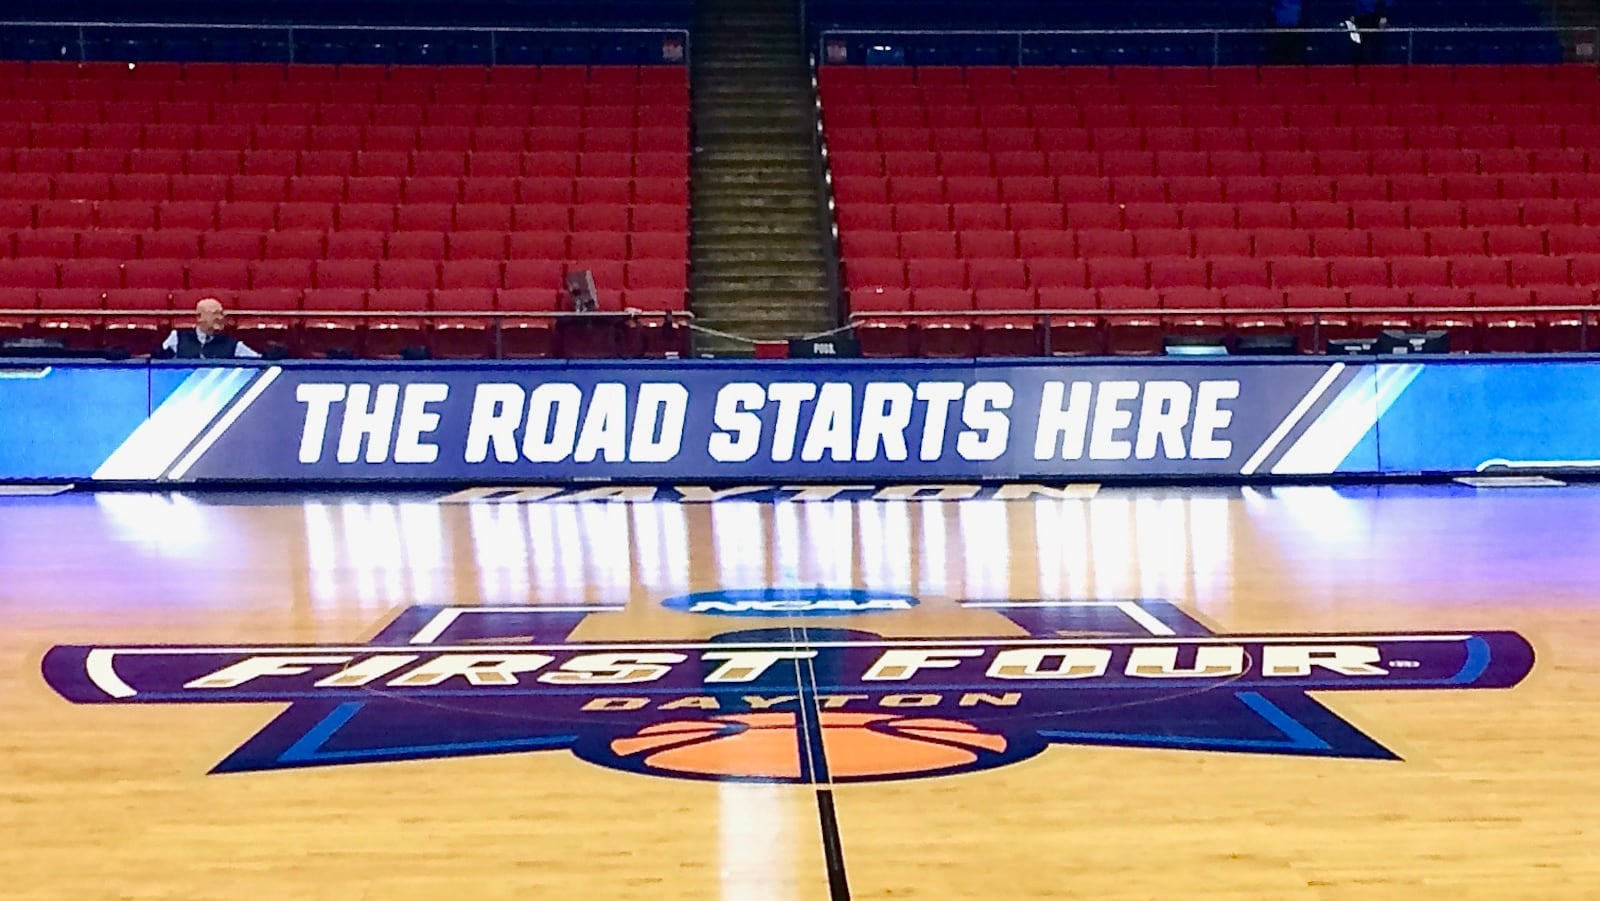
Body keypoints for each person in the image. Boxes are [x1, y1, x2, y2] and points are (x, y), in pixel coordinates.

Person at [158, 297, 261, 359]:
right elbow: (158, 360)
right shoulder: (177, 338)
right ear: (199, 317)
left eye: (221, 314)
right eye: (215, 314)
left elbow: (259, 362)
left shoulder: (234, 345)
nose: (221, 318)